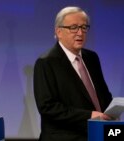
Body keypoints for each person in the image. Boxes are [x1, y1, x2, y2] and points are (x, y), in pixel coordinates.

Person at [33, 6, 113, 141]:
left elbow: (103, 94)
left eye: (83, 27)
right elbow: (48, 107)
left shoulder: (92, 58)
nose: (80, 33)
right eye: (73, 27)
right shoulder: (46, 62)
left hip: (98, 134)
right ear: (59, 32)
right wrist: (88, 116)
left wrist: (112, 110)